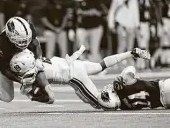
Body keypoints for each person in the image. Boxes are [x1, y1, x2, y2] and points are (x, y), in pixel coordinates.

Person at [9, 44, 150, 109]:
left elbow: (50, 99)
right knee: (100, 66)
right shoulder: (36, 59)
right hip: (75, 64)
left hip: (74, 76)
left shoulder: (36, 74)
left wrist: (33, 96)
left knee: (103, 105)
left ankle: (116, 89)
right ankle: (130, 53)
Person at [0, 17, 54, 104]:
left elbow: (36, 44)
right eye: (20, 41)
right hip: (5, 59)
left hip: (24, 56)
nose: (24, 44)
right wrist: (21, 80)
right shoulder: (0, 44)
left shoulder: (28, 28)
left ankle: (38, 87)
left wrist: (38, 60)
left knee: (41, 67)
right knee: (6, 97)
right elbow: (4, 69)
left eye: (25, 40)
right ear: (10, 36)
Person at [100, 65, 170, 110]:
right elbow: (131, 67)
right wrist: (122, 78)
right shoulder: (126, 84)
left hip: (164, 103)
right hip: (164, 88)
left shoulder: (124, 107)